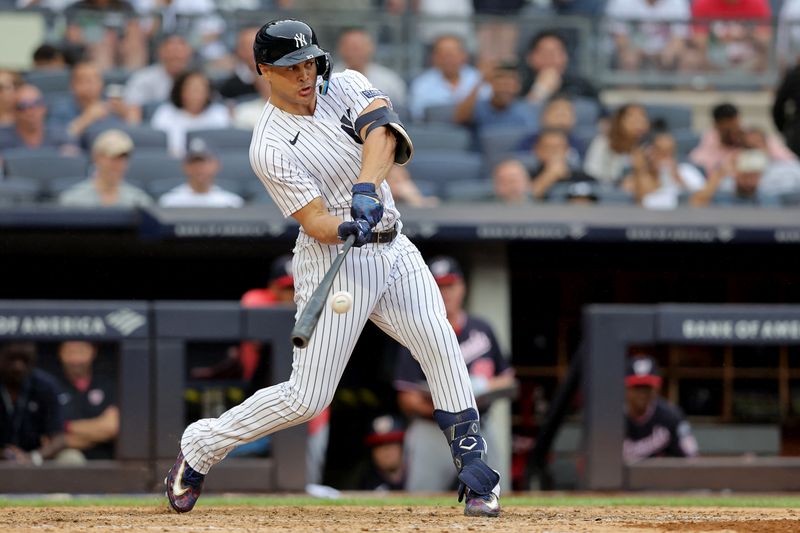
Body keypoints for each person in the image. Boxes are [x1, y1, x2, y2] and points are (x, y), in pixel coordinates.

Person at [166, 19, 502, 518]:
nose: (304, 74)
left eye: (308, 62)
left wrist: (366, 189)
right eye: (289, 67)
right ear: (263, 71)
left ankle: (476, 474)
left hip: (394, 245)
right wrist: (345, 226)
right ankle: (203, 443)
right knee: (308, 398)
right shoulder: (268, 145)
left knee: (440, 342)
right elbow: (315, 219)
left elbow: (383, 136)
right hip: (334, 260)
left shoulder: (344, 84)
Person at [394, 256, 515, 494]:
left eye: (450, 285)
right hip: (433, 430)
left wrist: (482, 386)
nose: (445, 292)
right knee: (421, 499)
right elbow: (407, 398)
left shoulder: (482, 328)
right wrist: (453, 410)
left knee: (495, 494)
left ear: (462, 287)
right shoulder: (415, 332)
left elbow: (508, 379)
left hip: (480, 428)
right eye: (438, 286)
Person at [0, 342, 66, 466]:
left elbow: (59, 439)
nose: (17, 367)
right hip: (1, 454)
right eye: (11, 360)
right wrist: (4, 454)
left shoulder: (46, 385)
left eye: (25, 361)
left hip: (36, 455)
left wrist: (33, 457)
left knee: (71, 458)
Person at [624, 355, 698, 463]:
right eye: (637, 386)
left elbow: (692, 458)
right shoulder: (609, 417)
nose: (642, 393)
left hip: (658, 479)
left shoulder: (671, 416)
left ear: (656, 388)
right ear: (626, 387)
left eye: (647, 387)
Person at [55, 340, 119, 461]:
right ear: (60, 352)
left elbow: (111, 427)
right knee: (71, 459)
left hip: (107, 461)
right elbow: (46, 438)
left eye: (81, 351)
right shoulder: (50, 386)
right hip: (64, 461)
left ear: (93, 351)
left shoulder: (108, 384)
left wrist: (65, 427)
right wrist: (96, 432)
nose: (75, 359)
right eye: (70, 352)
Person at [690, 103, 795, 176]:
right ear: (717, 125)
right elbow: (697, 161)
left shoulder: (753, 136)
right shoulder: (711, 139)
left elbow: (789, 160)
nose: (732, 133)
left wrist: (762, 149)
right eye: (727, 130)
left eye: (734, 127)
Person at [59, 128, 153, 207]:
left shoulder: (140, 201)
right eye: (113, 157)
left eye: (123, 158)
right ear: (96, 157)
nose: (118, 164)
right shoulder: (73, 200)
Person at [150, 69, 231, 157]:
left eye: (200, 89)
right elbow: (157, 146)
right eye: (191, 89)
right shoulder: (165, 113)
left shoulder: (219, 113)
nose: (195, 94)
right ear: (180, 91)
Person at [408, 35, 487, 122]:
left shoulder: (479, 78)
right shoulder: (421, 84)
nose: (448, 59)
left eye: (453, 55)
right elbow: (418, 117)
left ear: (464, 56)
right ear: (434, 57)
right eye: (443, 55)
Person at [622, 127, 706, 209]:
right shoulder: (635, 179)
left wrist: (678, 179)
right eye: (662, 152)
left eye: (671, 153)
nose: (667, 158)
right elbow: (642, 200)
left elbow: (702, 200)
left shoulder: (687, 172)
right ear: (649, 153)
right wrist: (640, 170)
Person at [48, 61, 134, 139]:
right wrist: (87, 118)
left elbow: (130, 136)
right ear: (73, 85)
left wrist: (126, 115)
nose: (91, 84)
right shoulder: (61, 108)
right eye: (85, 80)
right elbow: (57, 138)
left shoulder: (111, 106)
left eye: (95, 79)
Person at [521, 31, 601, 108]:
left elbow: (602, 117)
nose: (551, 59)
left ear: (566, 57)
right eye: (545, 53)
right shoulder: (519, 86)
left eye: (556, 52)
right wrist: (540, 91)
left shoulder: (582, 87)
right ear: (530, 58)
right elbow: (517, 118)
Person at [605, 0, 691, 72]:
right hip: (634, 50)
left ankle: (679, 92)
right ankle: (631, 93)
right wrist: (637, 51)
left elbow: (679, 39)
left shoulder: (678, 2)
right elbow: (621, 40)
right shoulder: (621, 2)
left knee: (688, 60)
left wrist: (669, 51)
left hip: (665, 53)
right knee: (629, 60)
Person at [123, 34, 193, 121]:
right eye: (172, 52)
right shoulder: (143, 78)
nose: (176, 56)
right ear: (161, 53)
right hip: (152, 129)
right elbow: (132, 111)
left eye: (179, 53)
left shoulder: (196, 80)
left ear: (188, 54)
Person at [158, 137, 244, 208]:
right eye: (193, 162)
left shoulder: (230, 203)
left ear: (216, 165)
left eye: (205, 162)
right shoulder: (170, 202)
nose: (199, 168)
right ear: (185, 166)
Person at [454, 62, 538, 132]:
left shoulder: (524, 111)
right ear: (492, 84)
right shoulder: (480, 106)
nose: (504, 89)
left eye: (509, 85)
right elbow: (459, 118)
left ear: (517, 87)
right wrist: (480, 82)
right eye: (500, 84)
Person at [335, 27, 407, 108]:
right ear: (340, 49)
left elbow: (401, 113)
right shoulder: (329, 79)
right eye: (349, 48)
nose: (354, 53)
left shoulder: (389, 81)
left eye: (358, 47)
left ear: (371, 48)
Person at [0, 84, 77, 155]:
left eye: (36, 104)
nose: (30, 111)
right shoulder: (2, 137)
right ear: (13, 111)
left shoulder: (60, 134)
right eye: (22, 106)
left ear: (44, 107)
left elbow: (75, 159)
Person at [583, 103, 650, 185]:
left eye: (642, 117)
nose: (638, 122)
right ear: (620, 120)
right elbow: (592, 174)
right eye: (632, 117)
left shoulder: (651, 147)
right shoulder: (603, 143)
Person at [689, 148, 781, 207]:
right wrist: (719, 174)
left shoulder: (767, 200)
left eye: (754, 176)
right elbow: (695, 204)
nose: (750, 181)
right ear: (737, 174)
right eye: (746, 176)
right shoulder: (723, 199)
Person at [531, 128, 597, 200]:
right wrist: (549, 176)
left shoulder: (582, 177)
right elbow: (526, 198)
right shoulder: (528, 176)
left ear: (567, 149)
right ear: (537, 150)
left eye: (558, 147)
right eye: (548, 147)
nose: (554, 152)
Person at [355, 414, 406, 491]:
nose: (386, 449)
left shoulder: (420, 475)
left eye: (391, 442)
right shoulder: (365, 483)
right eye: (379, 445)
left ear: (402, 446)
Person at [218, 26, 260, 100]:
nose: (253, 51)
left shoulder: (280, 77)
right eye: (247, 46)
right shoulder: (228, 85)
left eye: (258, 45)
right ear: (238, 49)